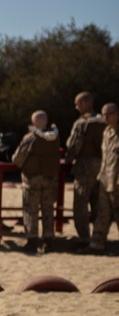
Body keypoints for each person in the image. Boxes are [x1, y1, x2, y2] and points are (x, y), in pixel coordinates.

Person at [12, 111, 61, 253]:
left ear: (33, 123)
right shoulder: (55, 137)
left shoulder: (31, 138)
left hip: (32, 179)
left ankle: (32, 240)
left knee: (30, 210)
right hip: (50, 178)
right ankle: (48, 240)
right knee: (48, 209)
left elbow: (17, 159)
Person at [65, 91, 107, 246]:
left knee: (81, 203)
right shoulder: (105, 121)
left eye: (77, 104)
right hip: (103, 167)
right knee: (98, 203)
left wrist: (68, 160)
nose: (76, 108)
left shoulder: (82, 123)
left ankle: (84, 238)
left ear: (84, 103)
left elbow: (75, 145)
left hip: (85, 167)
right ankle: (99, 237)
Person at [88, 102, 119, 253]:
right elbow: (106, 157)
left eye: (110, 114)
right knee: (102, 213)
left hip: (117, 180)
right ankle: (97, 244)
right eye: (104, 114)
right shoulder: (106, 132)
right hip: (105, 179)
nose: (106, 117)